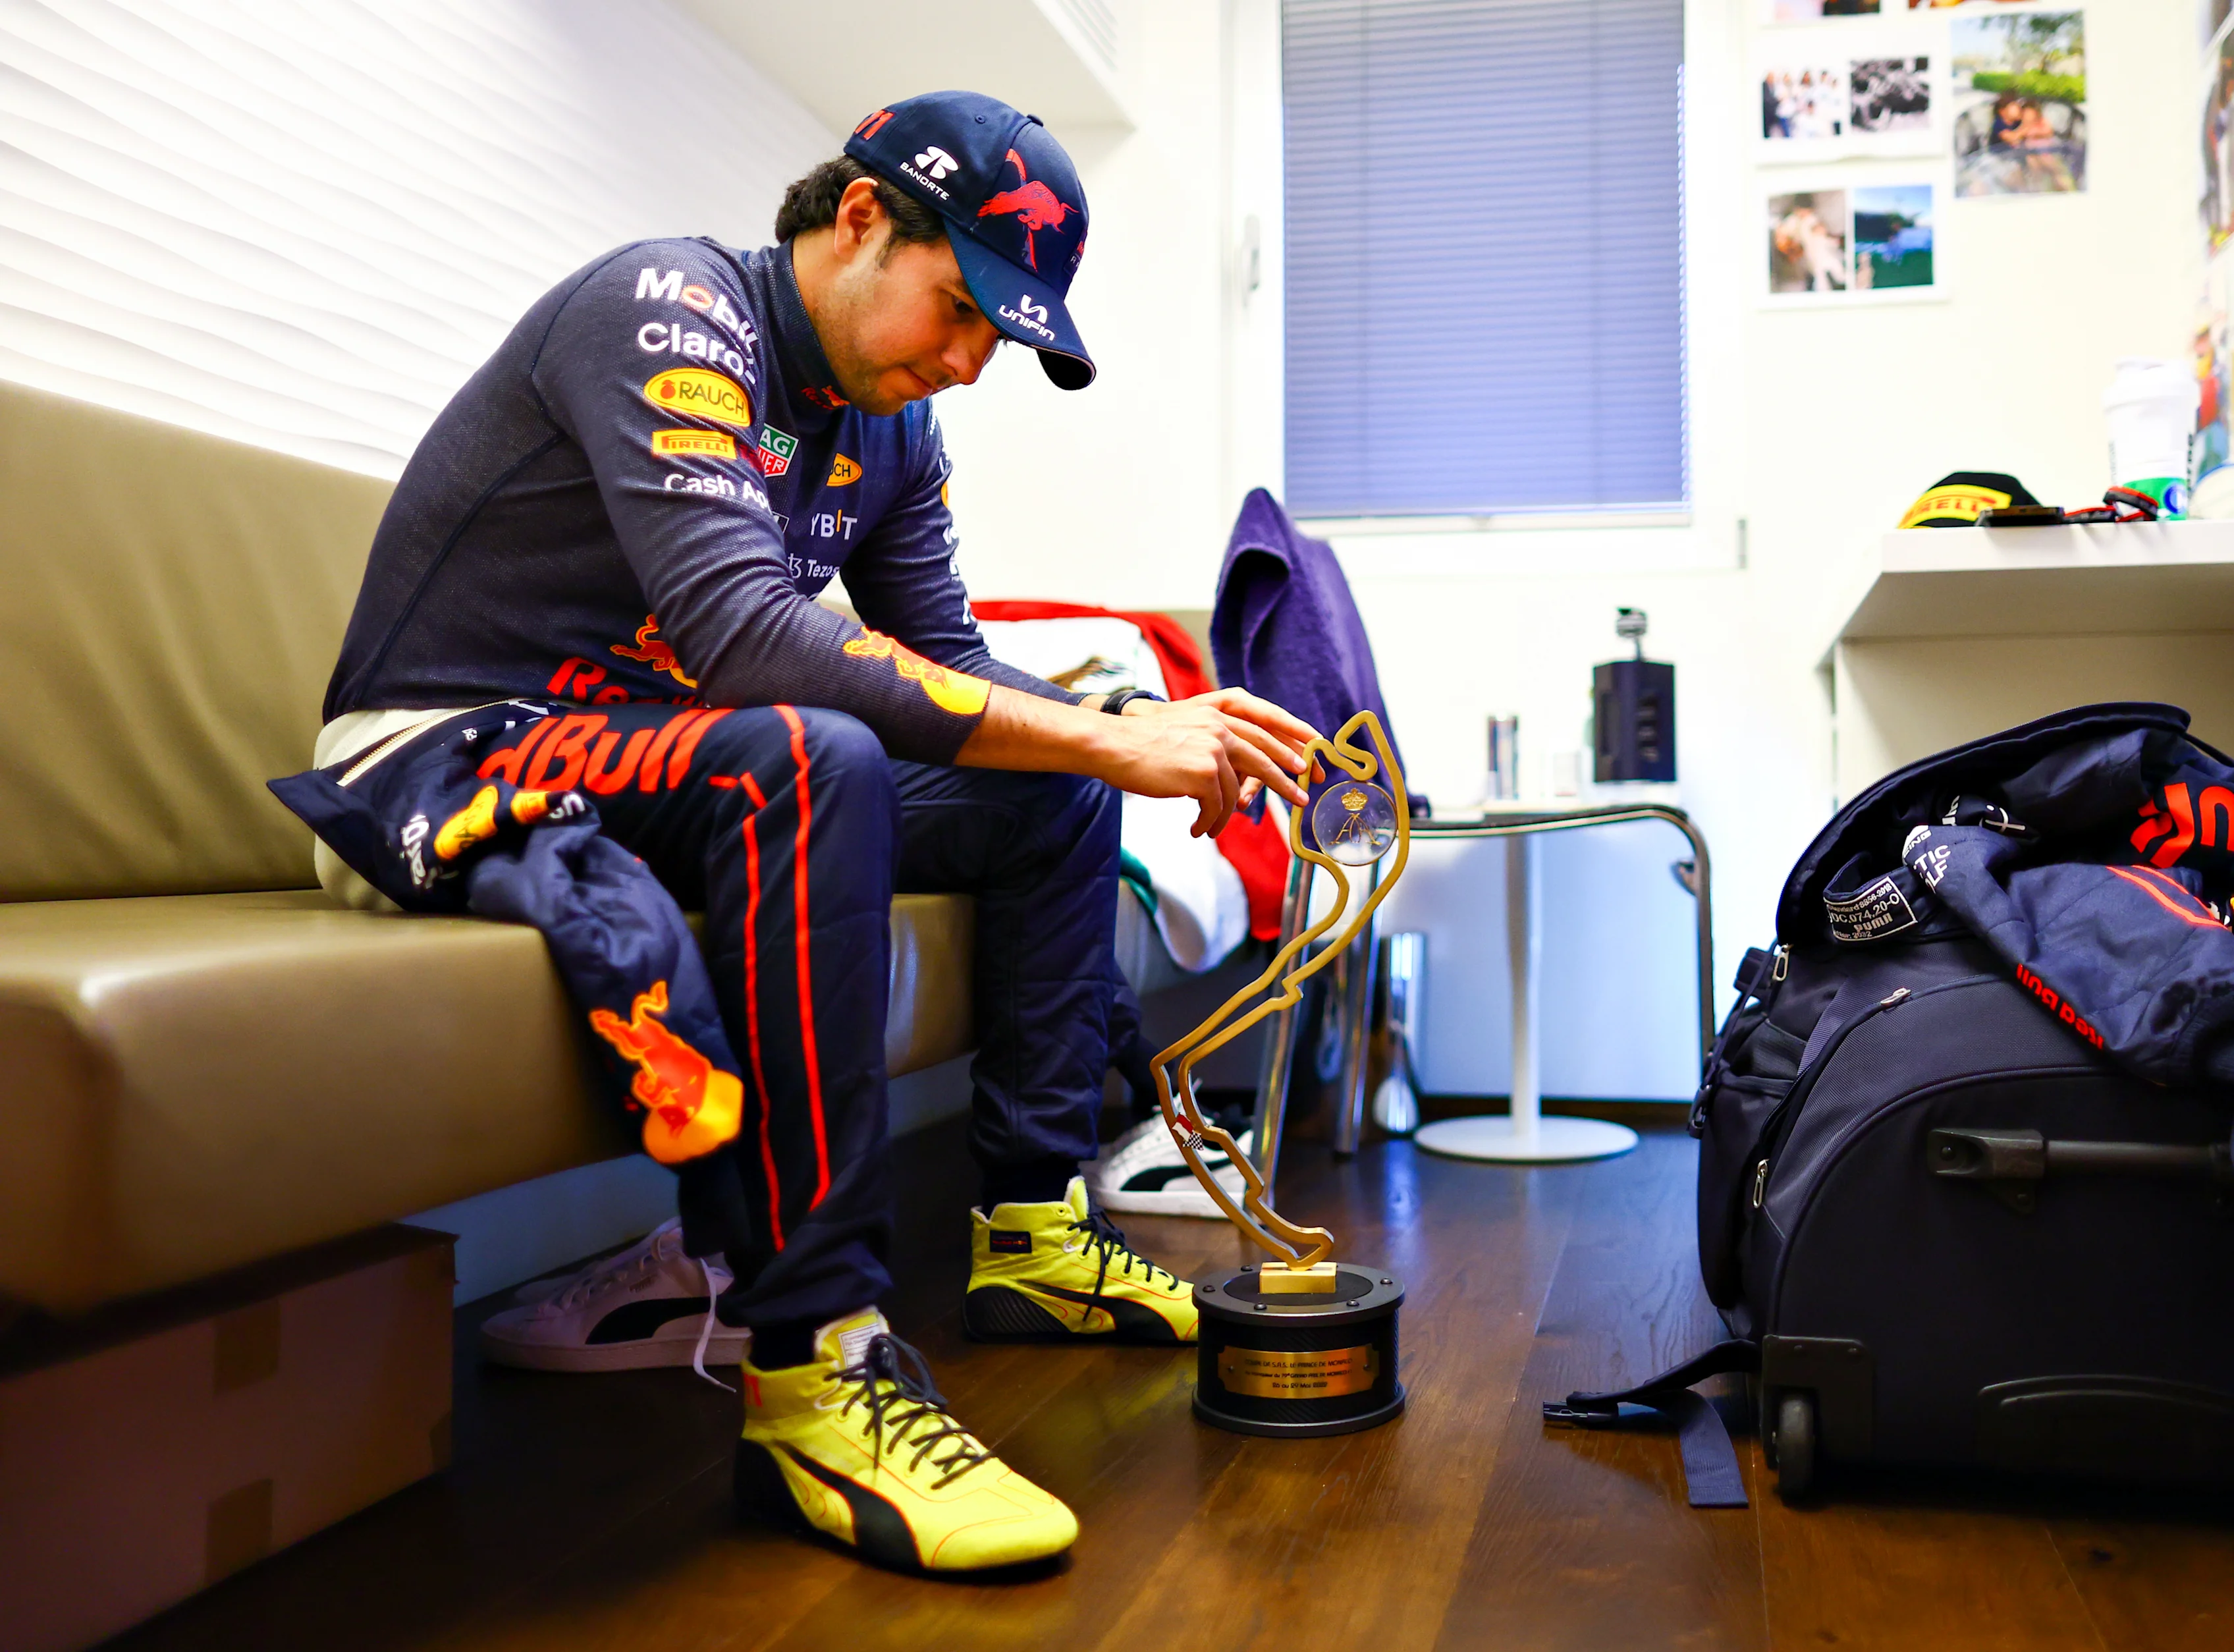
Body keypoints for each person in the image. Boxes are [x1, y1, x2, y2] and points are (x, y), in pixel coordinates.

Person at [308, 90, 1315, 1573]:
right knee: (814, 753)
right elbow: (748, 643)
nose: (972, 362)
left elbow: (954, 659)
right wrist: (1115, 727)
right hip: (458, 750)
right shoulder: (668, 307)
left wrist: (1150, 736)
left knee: (1054, 785)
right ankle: (817, 1361)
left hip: (659, 762)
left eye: (1002, 337)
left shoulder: (890, 427)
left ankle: (1033, 1231)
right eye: (963, 304)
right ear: (857, 219)